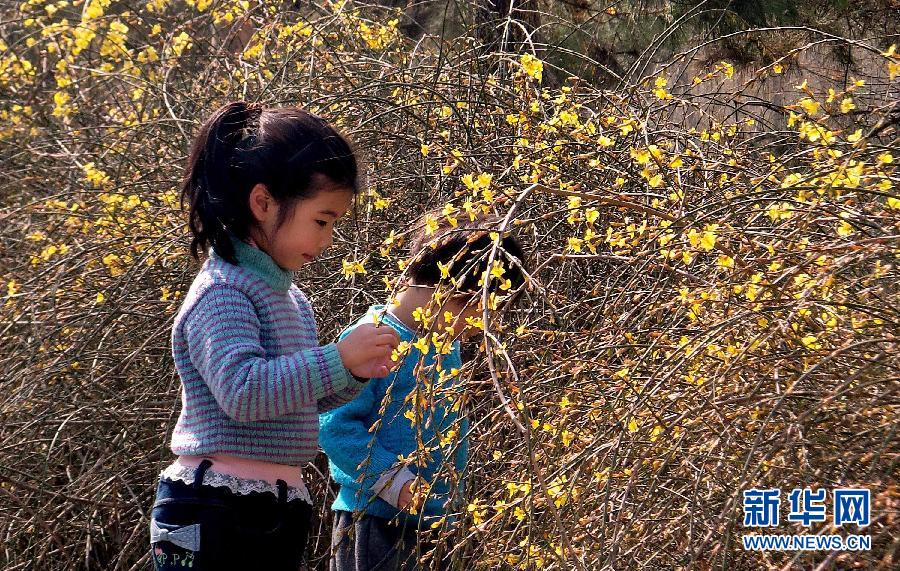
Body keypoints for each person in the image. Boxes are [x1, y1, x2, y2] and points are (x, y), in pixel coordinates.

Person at [149, 101, 400, 571]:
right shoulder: (223, 292)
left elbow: (292, 396)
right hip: (213, 505)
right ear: (263, 203)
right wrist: (336, 360)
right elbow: (244, 393)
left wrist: (352, 376)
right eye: (321, 220)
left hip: (275, 505)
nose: (327, 239)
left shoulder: (290, 298)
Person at [320, 210, 529, 570]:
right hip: (375, 523)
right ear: (453, 292)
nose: (482, 326)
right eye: (482, 311)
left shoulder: (444, 344)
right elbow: (333, 426)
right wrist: (393, 481)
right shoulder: (373, 339)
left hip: (435, 526)